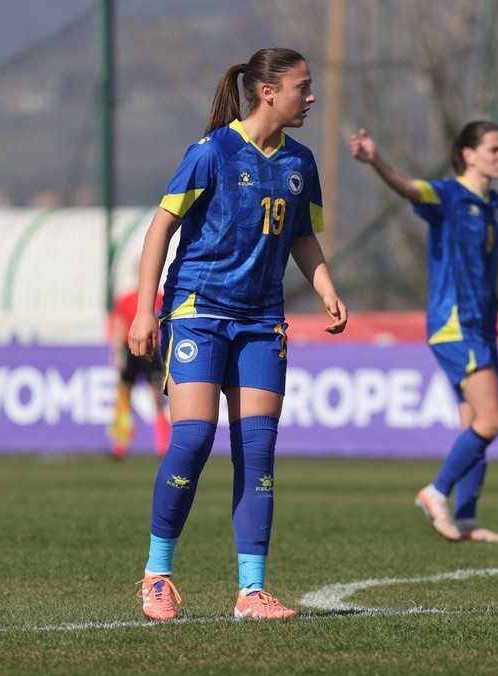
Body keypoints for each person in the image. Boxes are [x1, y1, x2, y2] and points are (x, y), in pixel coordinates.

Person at [129, 47, 348, 621]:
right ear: (268, 92)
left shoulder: (300, 162)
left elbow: (301, 235)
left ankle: (252, 591)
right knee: (194, 439)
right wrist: (145, 312)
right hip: (198, 311)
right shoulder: (212, 153)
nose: (311, 96)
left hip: (261, 320)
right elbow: (160, 229)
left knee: (257, 451)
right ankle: (156, 576)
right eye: (302, 86)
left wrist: (326, 287)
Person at [350, 122, 498, 544]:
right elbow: (408, 188)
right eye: (494, 149)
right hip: (456, 325)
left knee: (474, 423)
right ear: (468, 154)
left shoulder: (493, 205)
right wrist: (375, 160)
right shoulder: (448, 196)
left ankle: (467, 520)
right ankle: (435, 492)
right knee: (494, 419)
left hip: (482, 326)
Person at [108, 287, 170, 459]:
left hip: (151, 349)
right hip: (129, 348)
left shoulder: (159, 297)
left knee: (157, 397)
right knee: (124, 396)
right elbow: (119, 323)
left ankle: (163, 446)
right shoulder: (126, 298)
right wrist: (116, 350)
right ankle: (120, 444)